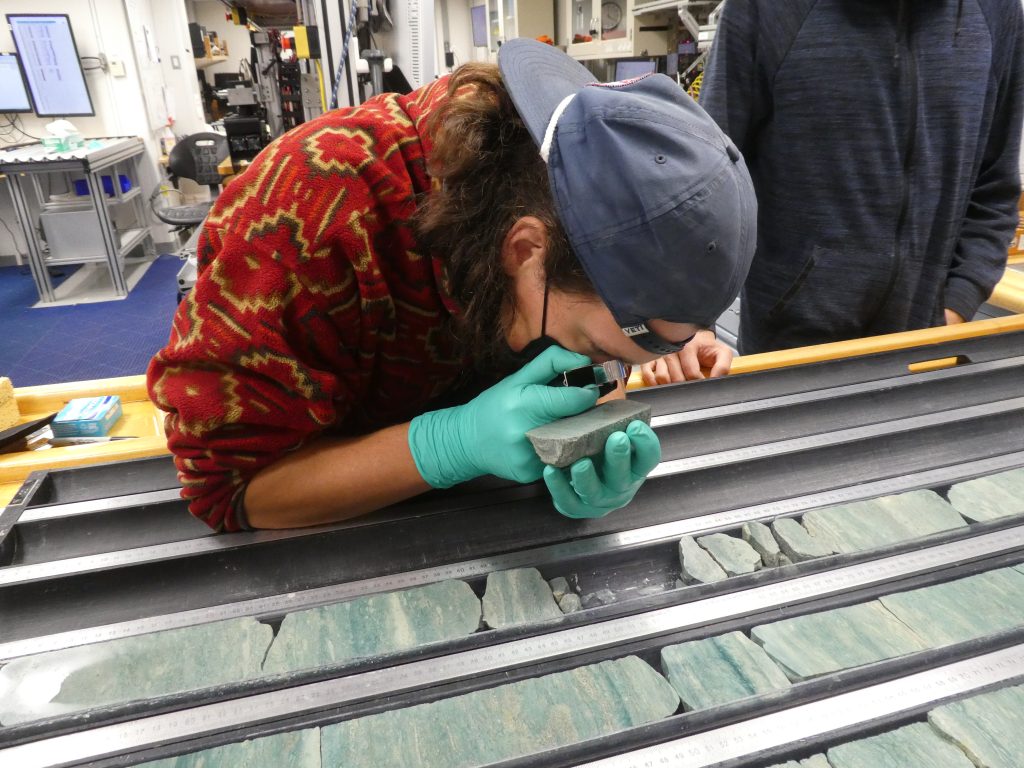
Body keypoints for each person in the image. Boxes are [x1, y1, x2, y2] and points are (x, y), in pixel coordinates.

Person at [147, 39, 756, 532]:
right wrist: (447, 446)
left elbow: (594, 340)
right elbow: (230, 490)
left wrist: (601, 418)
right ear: (524, 250)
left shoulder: (580, 221)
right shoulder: (310, 215)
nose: (600, 370)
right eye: (597, 351)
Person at [699, 0, 1024, 354]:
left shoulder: (996, 12)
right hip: (787, 352)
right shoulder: (766, 9)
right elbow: (709, 177)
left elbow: (994, 186)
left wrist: (956, 302)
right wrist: (692, 320)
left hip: (922, 348)